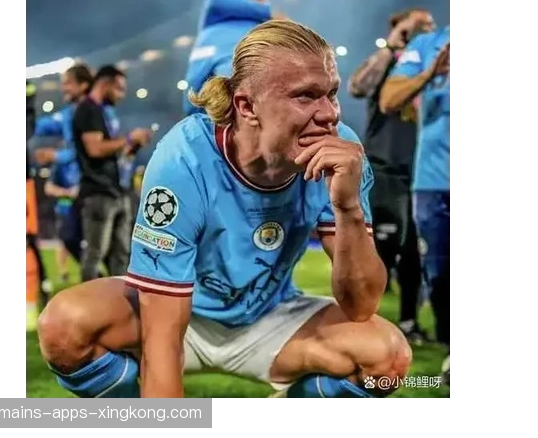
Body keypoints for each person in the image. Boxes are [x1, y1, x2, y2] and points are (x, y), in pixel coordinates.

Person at [38, 20, 412, 399]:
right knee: (65, 326)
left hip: (269, 316)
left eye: (331, 93)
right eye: (305, 96)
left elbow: (361, 306)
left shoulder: (340, 152)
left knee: (387, 360)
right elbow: (162, 335)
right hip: (183, 312)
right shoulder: (185, 157)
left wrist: (348, 209)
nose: (329, 113)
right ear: (246, 106)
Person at [348, 8, 435, 345]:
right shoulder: (387, 65)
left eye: (429, 25)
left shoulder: (430, 69)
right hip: (385, 169)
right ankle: (360, 326)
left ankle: (410, 323)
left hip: (420, 171)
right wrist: (391, 45)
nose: (428, 30)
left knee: (415, 253)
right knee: (383, 250)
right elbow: (357, 87)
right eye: (420, 26)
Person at [380, 26, 450, 384]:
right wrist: (430, 73)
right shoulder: (429, 45)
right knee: (439, 276)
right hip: (435, 180)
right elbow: (388, 100)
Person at [71, 65, 152, 282]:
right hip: (98, 192)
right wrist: (128, 138)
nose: (121, 95)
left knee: (121, 254)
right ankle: (89, 302)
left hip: (116, 191)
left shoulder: (103, 112)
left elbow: (112, 154)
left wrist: (132, 146)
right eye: (119, 89)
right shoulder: (87, 109)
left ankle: (118, 300)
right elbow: (95, 149)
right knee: (95, 254)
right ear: (105, 83)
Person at [183, 0, 274, 117]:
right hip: (240, 112)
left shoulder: (208, 33)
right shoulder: (256, 31)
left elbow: (193, 84)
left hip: (213, 113)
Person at [44, 155, 80, 283]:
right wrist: (68, 193)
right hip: (65, 209)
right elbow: (48, 188)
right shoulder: (61, 163)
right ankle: (63, 272)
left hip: (84, 209)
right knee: (63, 241)